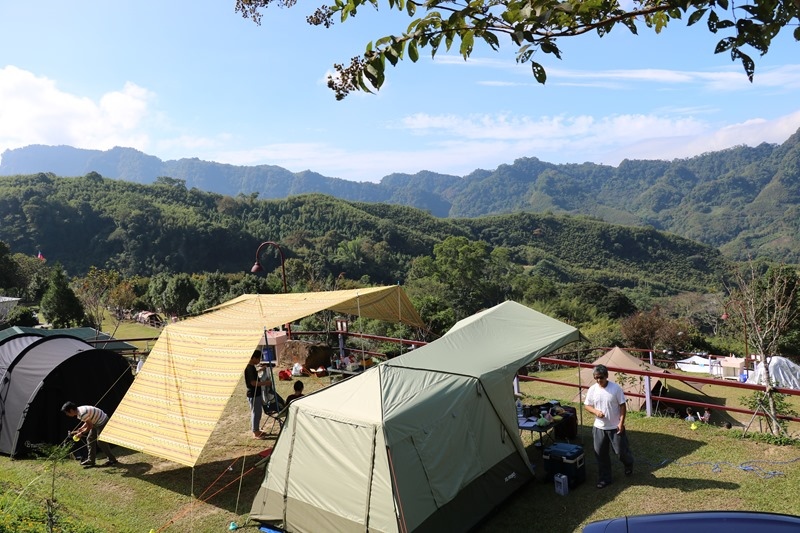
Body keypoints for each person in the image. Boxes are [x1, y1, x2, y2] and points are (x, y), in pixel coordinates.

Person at [583, 364, 634, 489]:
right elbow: (587, 405)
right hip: (599, 428)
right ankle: (605, 478)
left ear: (606, 376)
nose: (599, 380)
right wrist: (596, 412)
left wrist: (621, 423)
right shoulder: (592, 389)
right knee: (600, 454)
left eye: (601, 377)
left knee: (621, 452)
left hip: (615, 427)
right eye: (596, 378)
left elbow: (622, 406)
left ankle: (628, 463)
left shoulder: (615, 389)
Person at [61, 401, 118, 468]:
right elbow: (88, 421)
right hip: (95, 422)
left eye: (66, 413)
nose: (67, 414)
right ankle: (91, 460)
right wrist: (81, 428)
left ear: (71, 410)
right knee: (90, 439)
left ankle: (112, 460)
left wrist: (81, 433)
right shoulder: (79, 412)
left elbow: (90, 426)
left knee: (100, 442)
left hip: (102, 421)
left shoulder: (82, 413)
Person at [246, 350, 272, 439]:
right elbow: (253, 383)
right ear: (253, 358)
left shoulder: (252, 367)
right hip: (253, 394)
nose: (259, 361)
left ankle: (256, 430)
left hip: (256, 393)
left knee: (258, 412)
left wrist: (261, 369)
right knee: (256, 412)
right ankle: (255, 432)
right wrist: (265, 383)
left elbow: (254, 375)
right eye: (258, 359)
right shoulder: (249, 368)